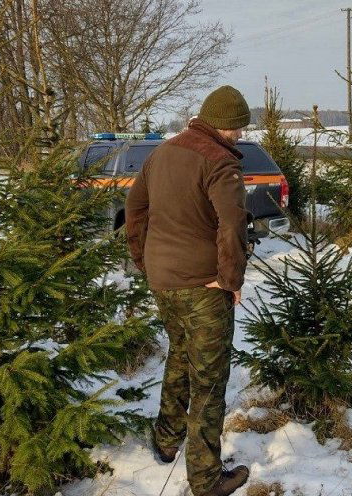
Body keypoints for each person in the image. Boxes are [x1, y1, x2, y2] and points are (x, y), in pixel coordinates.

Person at [125, 85, 252, 496]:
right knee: (210, 379)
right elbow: (232, 225)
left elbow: (135, 211)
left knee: (179, 356)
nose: (239, 135)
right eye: (238, 127)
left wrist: (146, 261)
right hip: (203, 285)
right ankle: (206, 478)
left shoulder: (161, 152)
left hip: (164, 281)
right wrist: (230, 279)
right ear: (225, 125)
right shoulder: (220, 162)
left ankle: (166, 440)